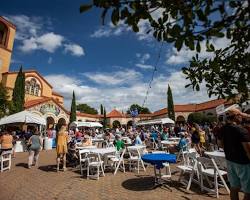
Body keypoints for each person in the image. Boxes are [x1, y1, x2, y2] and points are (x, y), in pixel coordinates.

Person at [218, 108, 250, 200]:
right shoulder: (241, 130)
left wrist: (230, 150)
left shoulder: (223, 129)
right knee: (248, 191)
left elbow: (220, 144)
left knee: (234, 187)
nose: (242, 117)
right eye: (240, 115)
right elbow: (248, 150)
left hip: (230, 160)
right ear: (236, 117)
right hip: (243, 163)